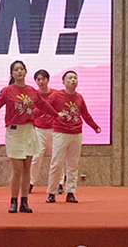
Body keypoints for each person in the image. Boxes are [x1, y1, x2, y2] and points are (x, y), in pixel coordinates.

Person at [0, 60, 60, 214]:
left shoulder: (32, 91)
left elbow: (44, 106)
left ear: (25, 71)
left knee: (26, 169)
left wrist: (57, 115)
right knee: (17, 169)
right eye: (16, 69)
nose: (19, 72)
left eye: (22, 69)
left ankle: (24, 201)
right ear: (12, 73)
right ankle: (13, 201)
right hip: (14, 132)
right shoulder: (7, 91)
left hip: (29, 131)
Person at [45, 70, 101, 203]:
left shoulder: (79, 97)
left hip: (76, 134)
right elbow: (45, 107)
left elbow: (85, 114)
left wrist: (95, 127)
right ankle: (52, 192)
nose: (73, 80)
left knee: (73, 164)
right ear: (63, 82)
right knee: (56, 163)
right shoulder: (56, 96)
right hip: (60, 133)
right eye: (70, 78)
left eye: (75, 78)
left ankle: (71, 192)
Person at [28, 69, 59, 193]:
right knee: (36, 157)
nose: (41, 82)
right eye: (38, 80)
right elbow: (31, 113)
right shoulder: (33, 95)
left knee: (56, 158)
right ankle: (31, 183)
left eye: (43, 79)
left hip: (54, 129)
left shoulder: (55, 94)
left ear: (48, 80)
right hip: (39, 130)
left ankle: (59, 183)